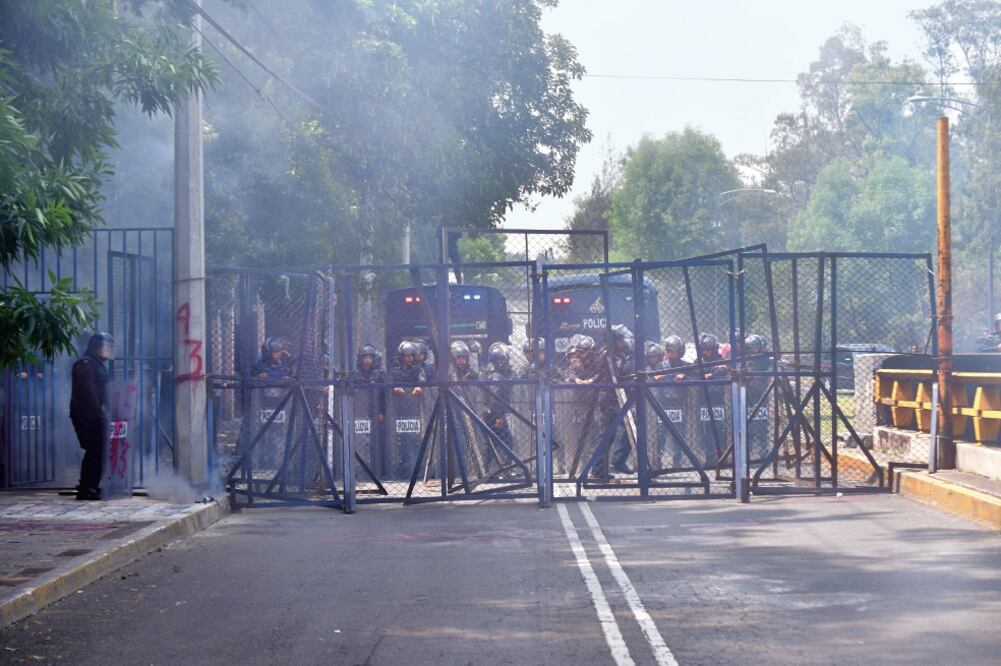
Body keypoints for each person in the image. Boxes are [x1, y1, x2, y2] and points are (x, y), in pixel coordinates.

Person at [70, 332, 113, 500]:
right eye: (105, 346)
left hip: (96, 414)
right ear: (96, 347)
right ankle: (86, 488)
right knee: (93, 450)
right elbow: (89, 392)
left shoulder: (98, 365)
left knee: (99, 450)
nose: (108, 350)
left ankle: (93, 486)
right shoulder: (85, 365)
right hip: (86, 414)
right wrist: (99, 413)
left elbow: (106, 392)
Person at [391, 341, 425, 478]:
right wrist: (394, 388)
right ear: (401, 356)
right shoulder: (394, 371)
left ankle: (417, 471)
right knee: (400, 442)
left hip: (415, 411)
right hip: (398, 412)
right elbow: (390, 382)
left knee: (415, 440)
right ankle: (402, 471)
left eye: (411, 356)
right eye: (406, 356)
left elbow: (422, 381)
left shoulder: (418, 370)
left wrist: (419, 387)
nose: (409, 358)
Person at [484, 343, 517, 469]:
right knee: (506, 441)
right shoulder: (496, 376)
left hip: (492, 413)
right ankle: (503, 469)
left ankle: (488, 469)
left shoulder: (493, 373)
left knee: (494, 442)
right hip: (494, 414)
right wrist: (498, 417)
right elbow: (495, 398)